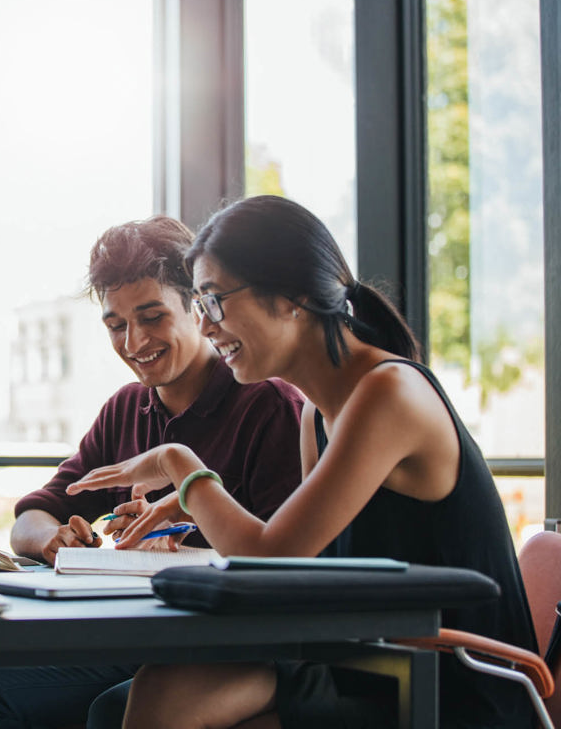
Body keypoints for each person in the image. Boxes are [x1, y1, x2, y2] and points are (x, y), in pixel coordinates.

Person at [68, 195, 537, 729]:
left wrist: (181, 466)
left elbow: (269, 556)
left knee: (161, 699)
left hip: (450, 683)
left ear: (291, 297)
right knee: (146, 694)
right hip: (368, 661)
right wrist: (192, 503)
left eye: (215, 301)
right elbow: (297, 569)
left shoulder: (388, 393)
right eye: (199, 305)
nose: (205, 325)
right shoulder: (317, 412)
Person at [0, 215, 304, 729]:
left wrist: (183, 550)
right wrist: (54, 539)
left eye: (152, 317)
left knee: (114, 711)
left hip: (234, 650)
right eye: (116, 325)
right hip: (142, 641)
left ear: (197, 308)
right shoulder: (126, 408)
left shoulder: (267, 404)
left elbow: (282, 566)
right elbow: (32, 515)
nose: (133, 342)